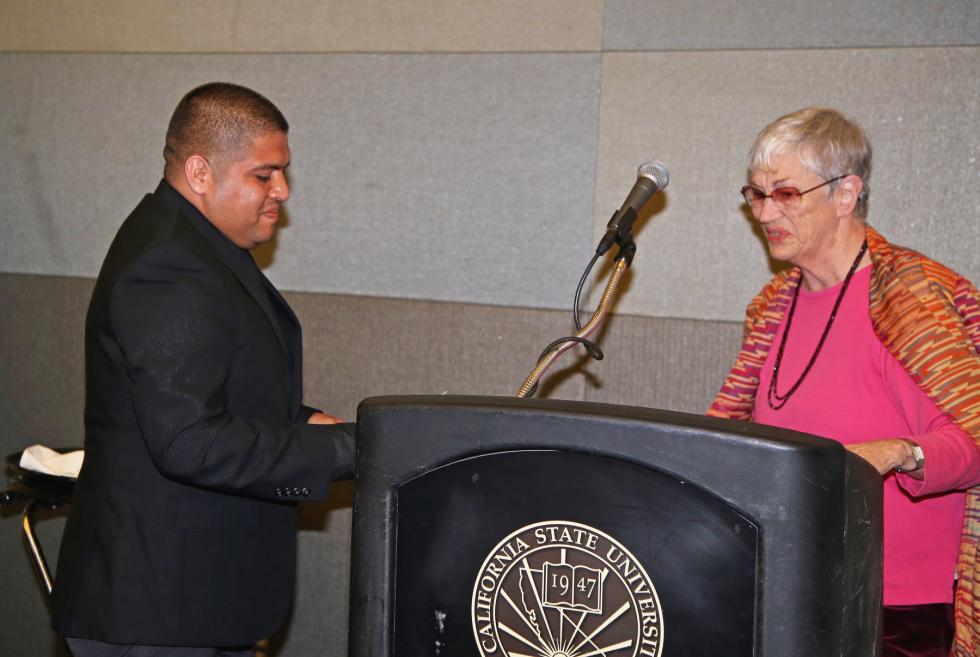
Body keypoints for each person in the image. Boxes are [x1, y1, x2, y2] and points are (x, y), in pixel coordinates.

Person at [50, 82, 356, 657]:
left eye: (282, 173)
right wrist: (344, 451)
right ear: (199, 172)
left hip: (190, 597)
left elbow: (210, 389)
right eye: (264, 175)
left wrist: (303, 421)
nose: (282, 192)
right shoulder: (169, 265)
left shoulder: (198, 246)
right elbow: (190, 441)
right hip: (156, 606)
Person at [708, 107, 980, 657]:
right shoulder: (770, 309)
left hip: (901, 611)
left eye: (784, 193)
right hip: (788, 585)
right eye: (755, 194)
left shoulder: (914, 297)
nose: (764, 212)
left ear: (845, 193)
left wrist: (900, 451)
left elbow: (972, 444)